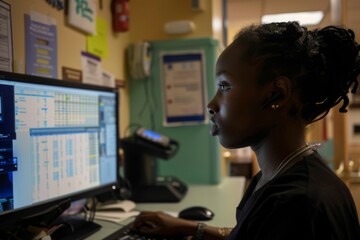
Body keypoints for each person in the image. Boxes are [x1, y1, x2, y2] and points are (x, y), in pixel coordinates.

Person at [132, 21, 360, 240]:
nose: (212, 104)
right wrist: (190, 227)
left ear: (277, 94)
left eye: (225, 86)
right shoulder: (279, 176)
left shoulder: (298, 204)